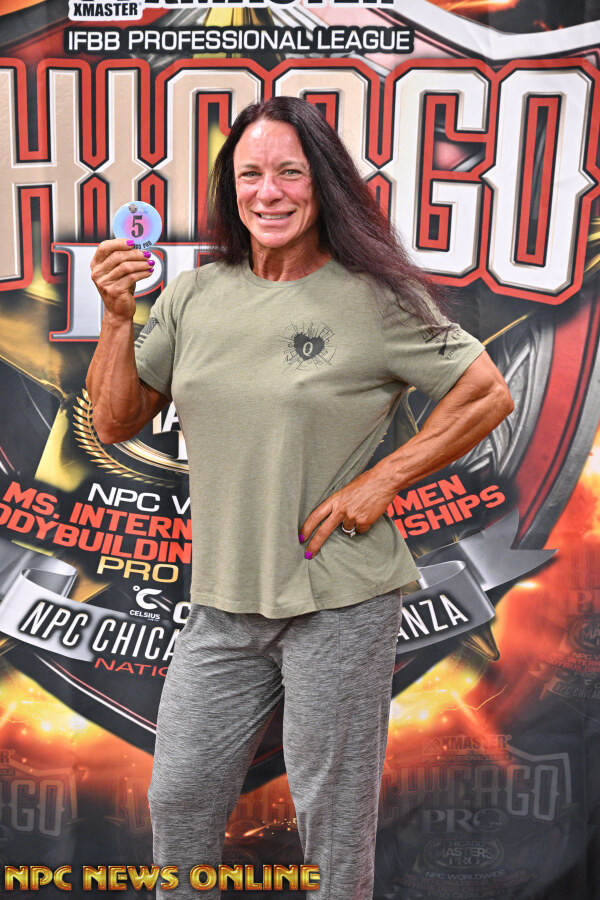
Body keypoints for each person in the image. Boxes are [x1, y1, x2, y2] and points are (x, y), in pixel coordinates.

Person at [86, 96, 513, 899]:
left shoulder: (374, 298)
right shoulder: (194, 294)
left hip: (339, 599)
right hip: (222, 602)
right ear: (231, 187)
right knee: (178, 799)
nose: (269, 192)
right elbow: (113, 421)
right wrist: (117, 317)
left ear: (322, 184)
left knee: (331, 825)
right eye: (251, 173)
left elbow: (487, 393)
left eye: (290, 172)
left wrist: (382, 479)